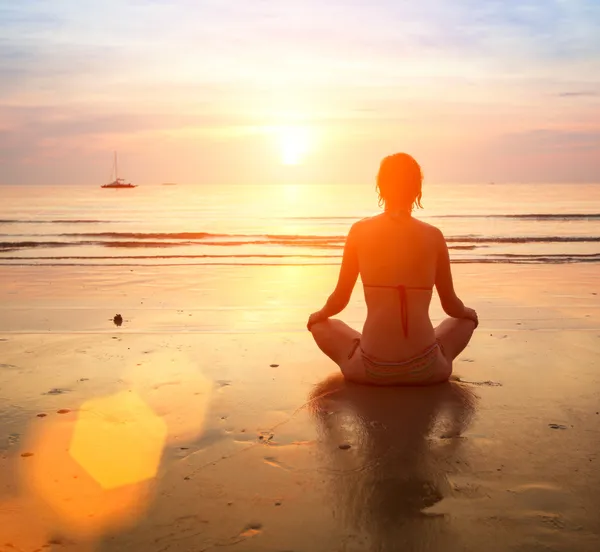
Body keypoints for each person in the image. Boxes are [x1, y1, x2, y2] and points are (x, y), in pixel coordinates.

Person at [307, 153, 478, 385]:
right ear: (417, 188)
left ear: (380, 185)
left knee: (324, 325)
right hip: (427, 369)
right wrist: (469, 314)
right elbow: (451, 306)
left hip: (370, 369)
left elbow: (339, 301)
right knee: (463, 321)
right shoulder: (433, 236)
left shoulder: (359, 231)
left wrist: (318, 315)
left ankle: (364, 345)